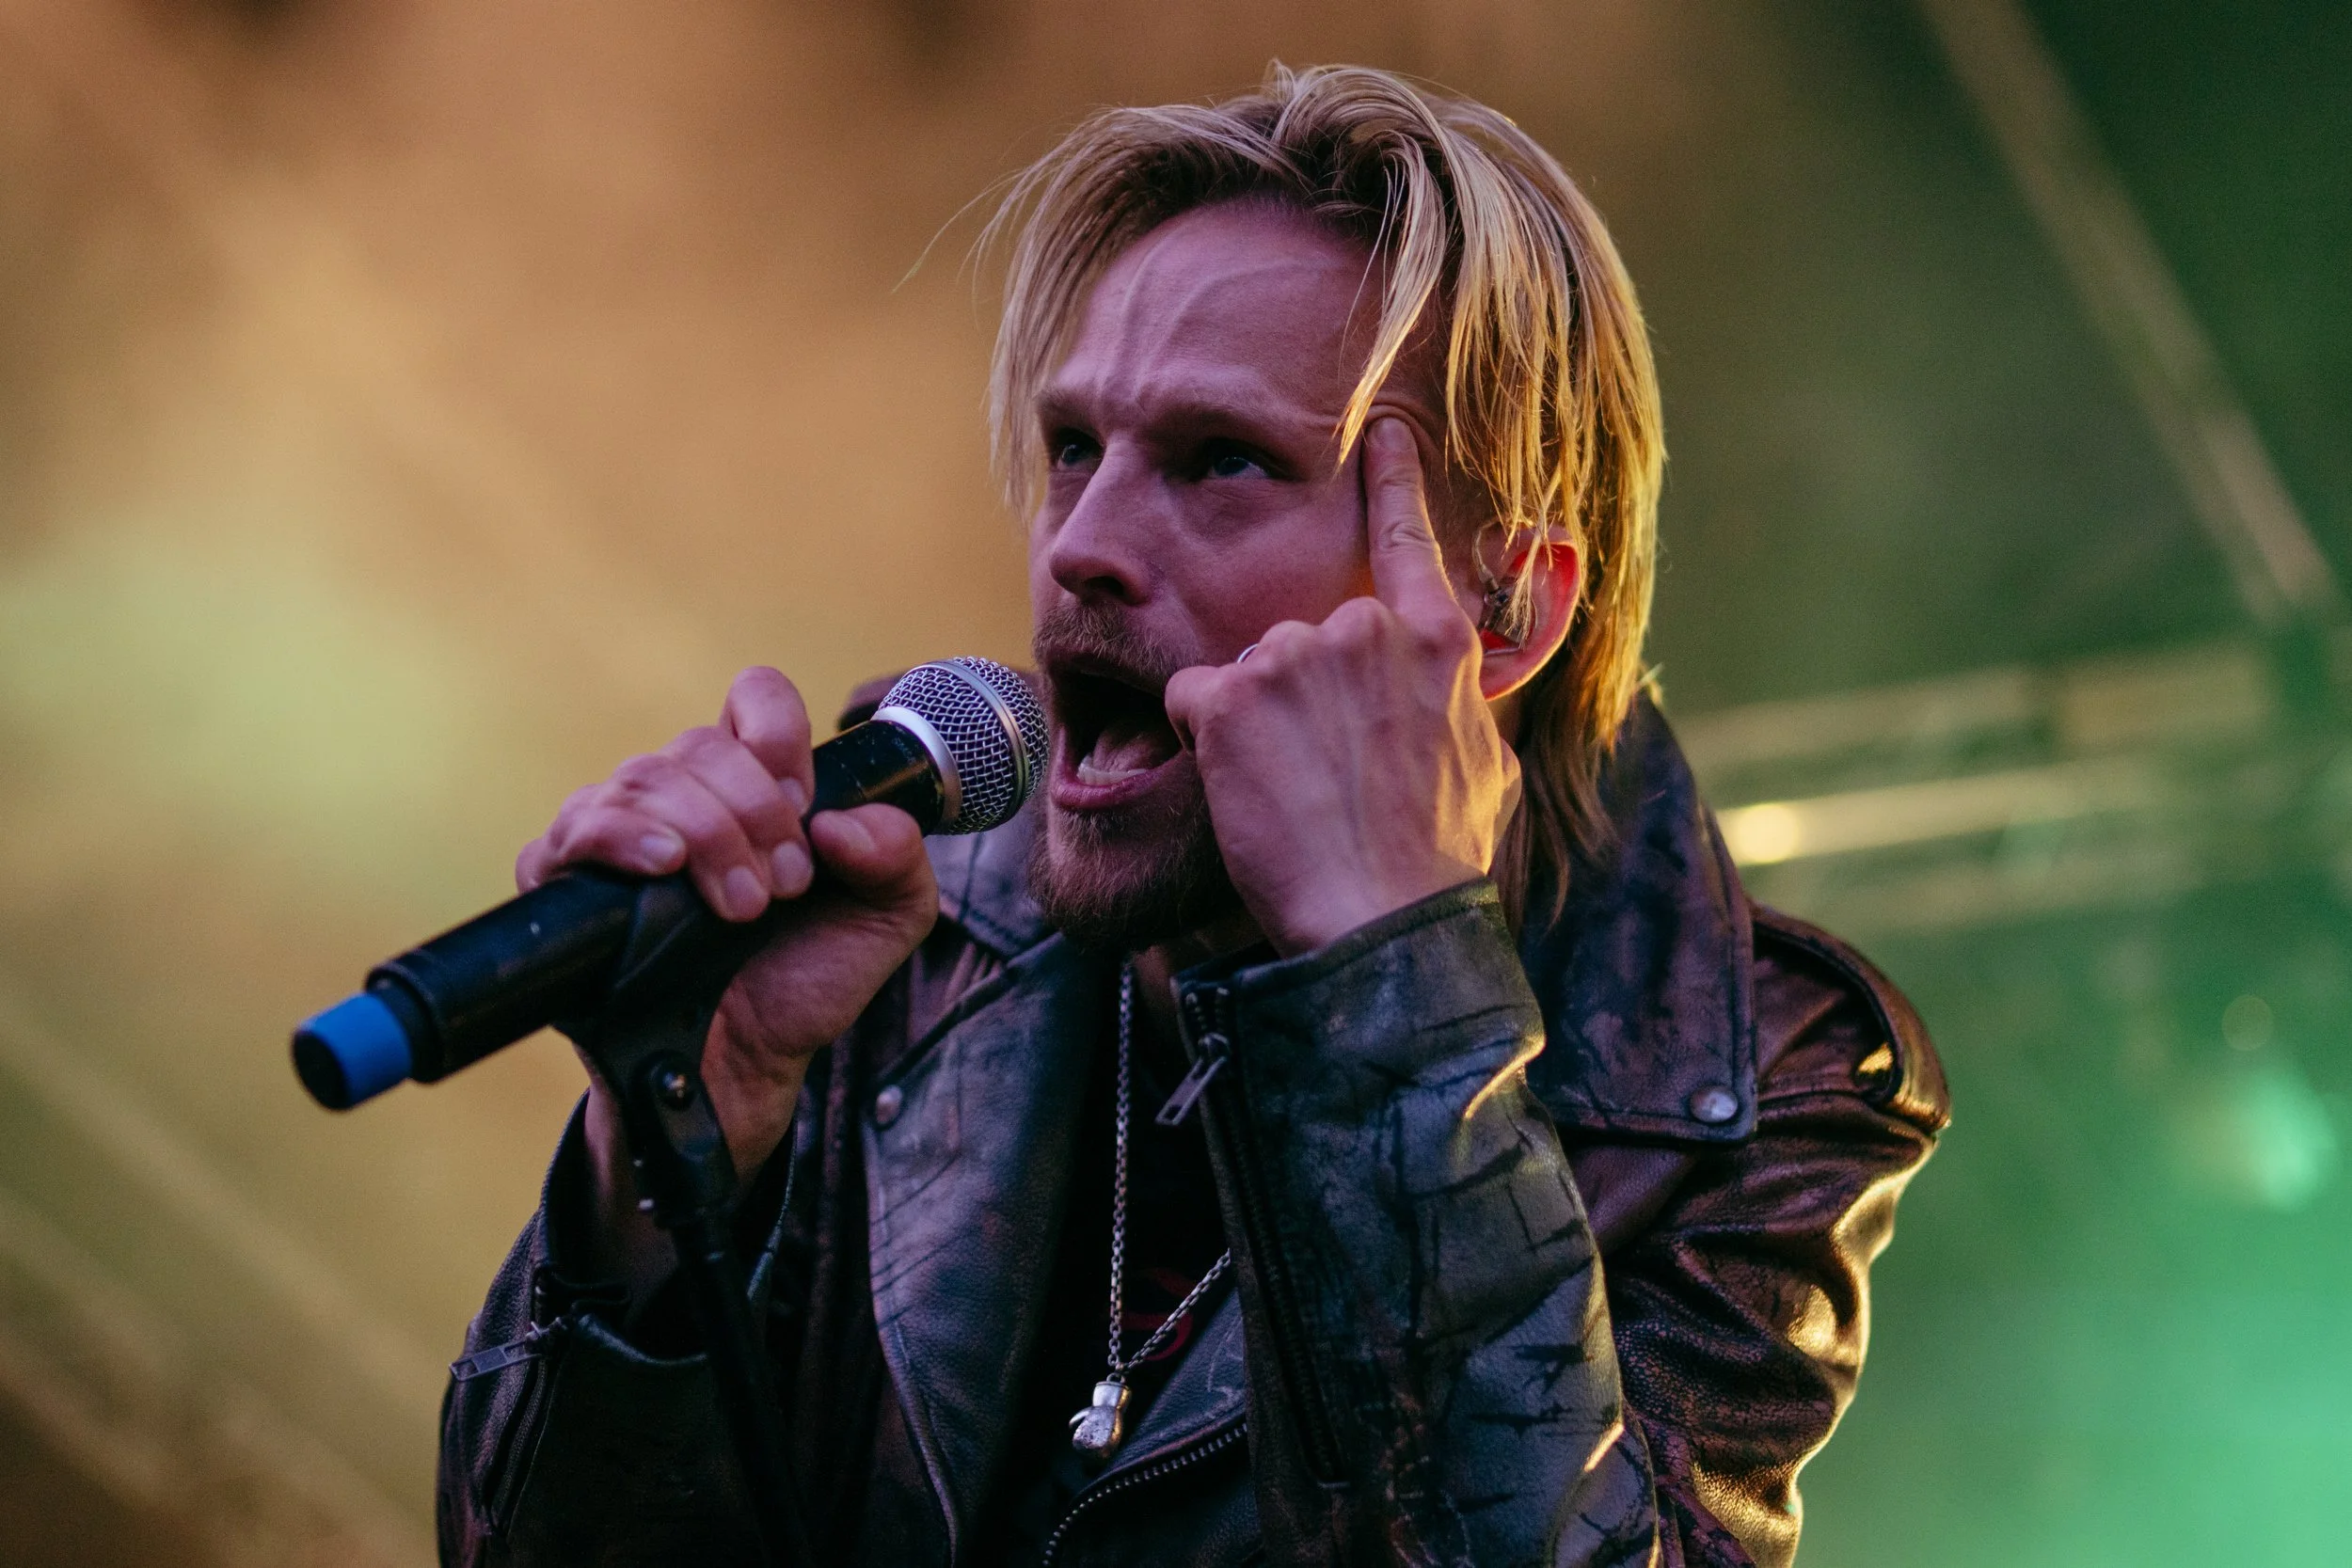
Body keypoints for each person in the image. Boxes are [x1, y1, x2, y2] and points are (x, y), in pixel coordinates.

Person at [438, 64, 1947, 1568]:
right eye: (1074, 449)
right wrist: (676, 1150)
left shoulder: (1751, 1085)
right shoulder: (906, 919)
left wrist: (1390, 972)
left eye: (1223, 461)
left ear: (1496, 612)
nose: (1081, 545)